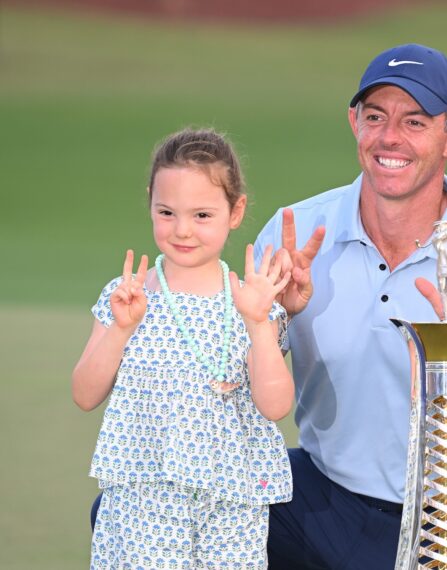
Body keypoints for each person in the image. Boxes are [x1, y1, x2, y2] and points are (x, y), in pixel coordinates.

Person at [252, 43, 447, 568]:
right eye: (375, 117)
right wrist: (276, 318)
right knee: (153, 511)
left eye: (415, 121)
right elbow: (236, 393)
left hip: (445, 521)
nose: (390, 137)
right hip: (320, 495)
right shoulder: (294, 234)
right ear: (353, 123)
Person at [74, 129, 296, 568]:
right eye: (166, 212)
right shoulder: (129, 296)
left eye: (201, 215)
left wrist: (258, 325)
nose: (182, 230)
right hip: (146, 489)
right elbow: (84, 394)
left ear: (236, 212)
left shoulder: (251, 301)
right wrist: (120, 330)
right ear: (150, 204)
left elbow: (275, 406)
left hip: (234, 495)